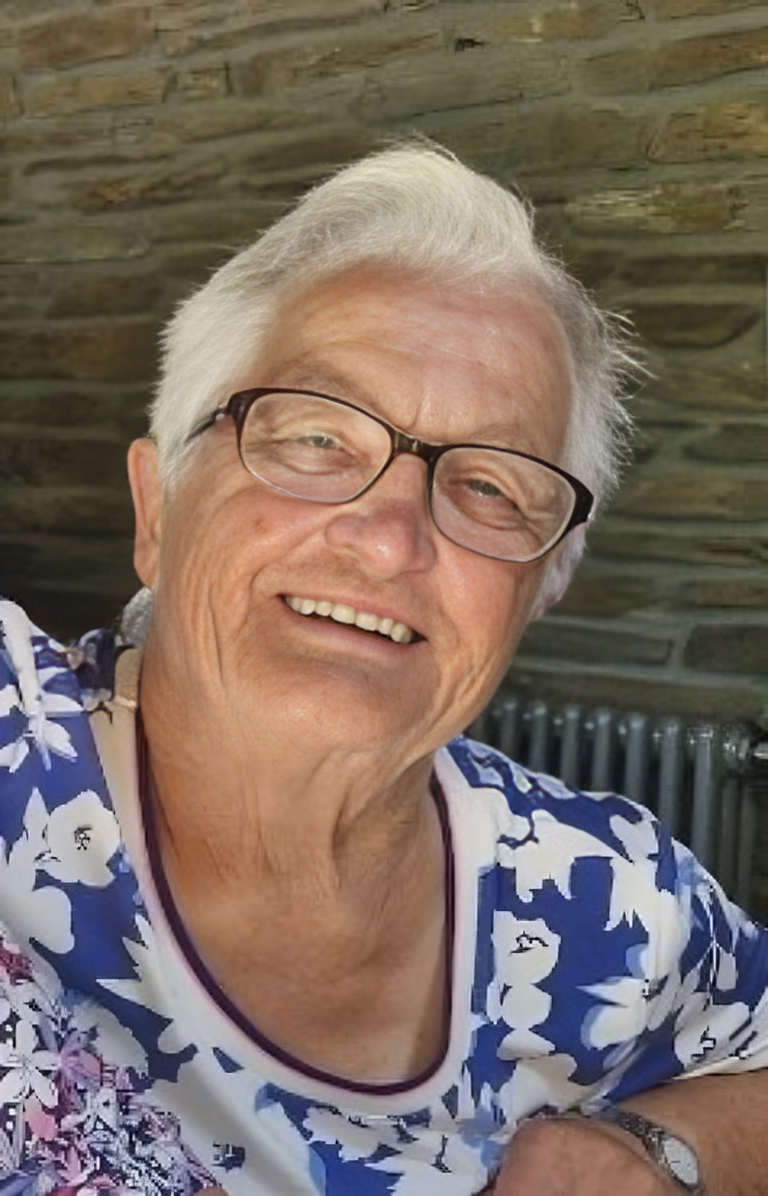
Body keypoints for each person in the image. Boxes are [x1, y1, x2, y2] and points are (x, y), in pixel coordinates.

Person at [0, 143, 766, 1196]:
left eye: (492, 488)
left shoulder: (611, 897)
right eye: (316, 437)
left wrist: (667, 1147)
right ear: (157, 508)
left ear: (543, 584)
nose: (391, 537)